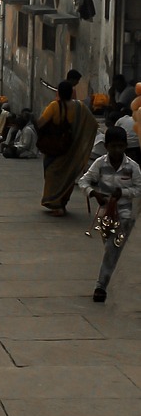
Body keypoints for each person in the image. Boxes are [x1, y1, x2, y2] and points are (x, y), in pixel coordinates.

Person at [78, 126, 141, 301]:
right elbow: (84, 181)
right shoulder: (100, 163)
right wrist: (93, 193)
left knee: (112, 249)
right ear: (106, 146)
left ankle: (101, 287)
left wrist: (124, 193)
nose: (117, 150)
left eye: (120, 146)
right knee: (111, 248)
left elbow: (138, 188)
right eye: (113, 146)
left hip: (125, 215)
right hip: (105, 214)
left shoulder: (132, 167)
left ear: (126, 146)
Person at [36, 79, 98, 215]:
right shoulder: (80, 107)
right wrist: (81, 139)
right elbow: (93, 125)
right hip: (73, 149)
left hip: (56, 148)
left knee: (52, 174)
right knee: (68, 175)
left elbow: (40, 123)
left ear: (58, 93)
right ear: (71, 93)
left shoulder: (54, 106)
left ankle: (56, 204)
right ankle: (62, 203)